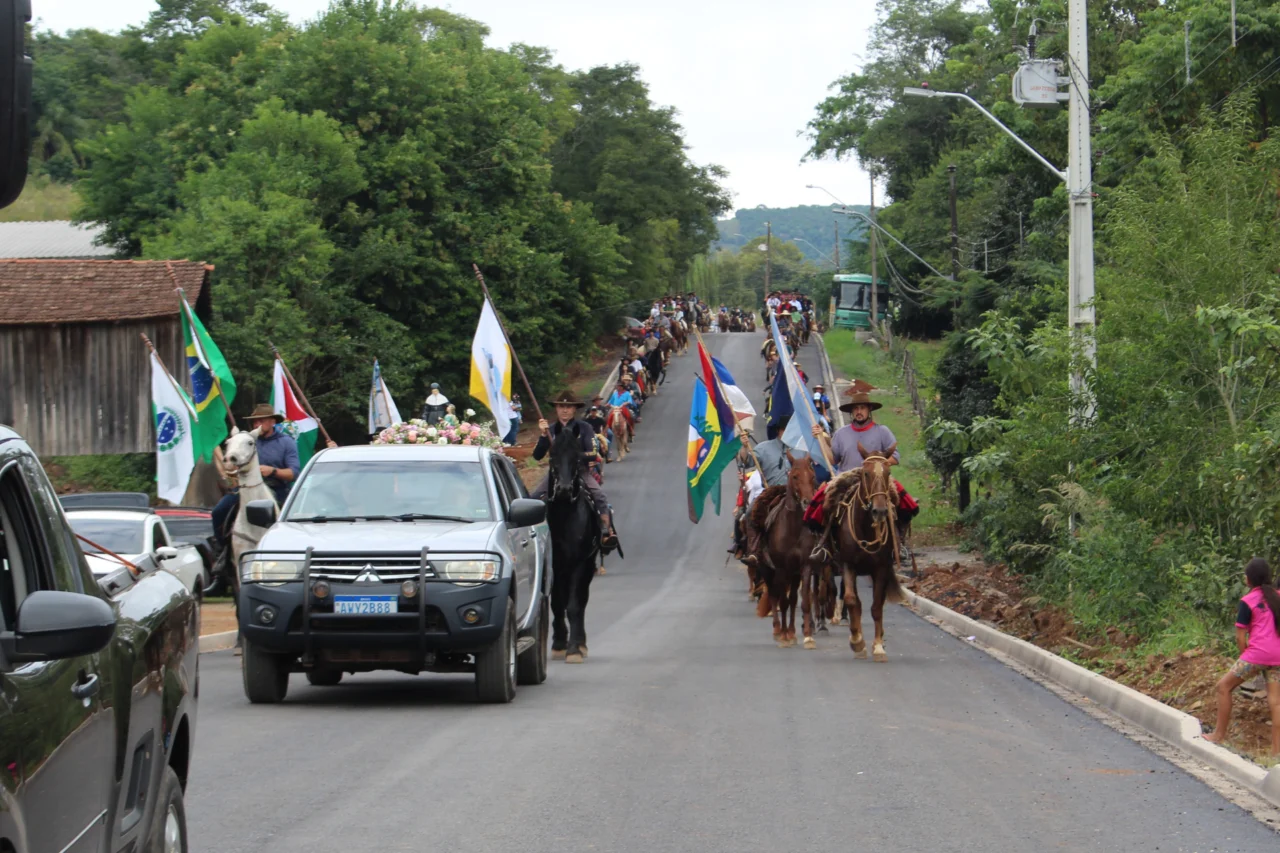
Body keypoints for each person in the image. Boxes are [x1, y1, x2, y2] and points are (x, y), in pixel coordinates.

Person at [1203, 558, 1280, 755]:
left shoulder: (1247, 601)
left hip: (1256, 655)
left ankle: (1218, 735)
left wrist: (1246, 659)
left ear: (1248, 580)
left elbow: (1240, 637)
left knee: (1223, 687)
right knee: (1276, 702)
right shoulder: (1278, 596)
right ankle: (1276, 752)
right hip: (1278, 657)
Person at [530, 391, 616, 549]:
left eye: (568, 407)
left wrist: (571, 456)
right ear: (556, 408)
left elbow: (592, 453)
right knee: (532, 499)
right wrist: (543, 436)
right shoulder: (550, 430)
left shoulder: (585, 428)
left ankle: (606, 532)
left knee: (599, 496)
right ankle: (529, 537)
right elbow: (537, 456)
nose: (564, 410)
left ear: (574, 409)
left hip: (579, 472)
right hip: (555, 474)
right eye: (561, 406)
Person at [211, 404, 301, 548]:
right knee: (218, 512)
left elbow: (294, 473)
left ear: (272, 422)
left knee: (293, 520)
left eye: (261, 420)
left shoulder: (286, 442)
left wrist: (273, 471)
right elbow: (234, 464)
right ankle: (222, 551)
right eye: (255, 421)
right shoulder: (245, 441)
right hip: (245, 488)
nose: (256, 424)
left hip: (276, 489)